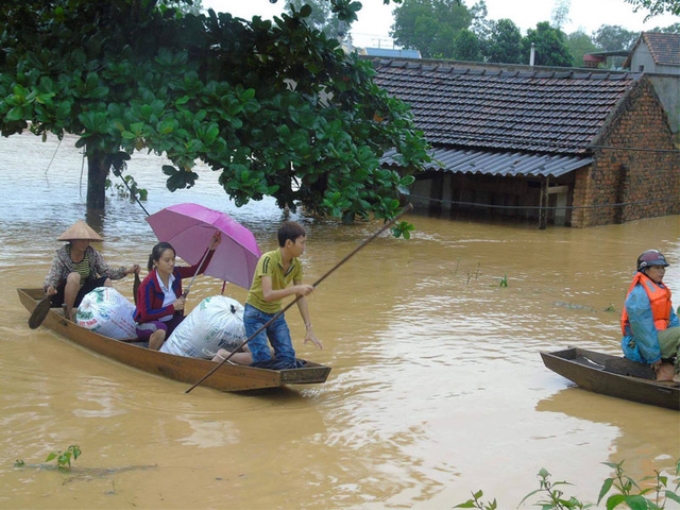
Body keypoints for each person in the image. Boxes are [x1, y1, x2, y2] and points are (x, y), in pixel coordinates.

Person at [223, 221, 322, 368]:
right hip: (255, 314)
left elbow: (300, 298)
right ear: (289, 243)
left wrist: (309, 328)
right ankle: (224, 355)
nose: (304, 248)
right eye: (302, 243)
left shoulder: (296, 265)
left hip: (276, 315)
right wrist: (295, 290)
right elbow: (268, 294)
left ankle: (249, 347)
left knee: (288, 359)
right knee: (263, 361)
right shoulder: (267, 260)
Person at [134, 232, 221, 350]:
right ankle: (151, 355)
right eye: (167, 260)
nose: (171, 263)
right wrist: (172, 307)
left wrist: (210, 249)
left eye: (173, 259)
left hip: (170, 322)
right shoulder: (148, 284)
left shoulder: (176, 273)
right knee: (160, 330)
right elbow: (146, 315)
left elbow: (197, 269)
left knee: (196, 323)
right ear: (155, 262)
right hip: (148, 325)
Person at [44, 220, 140, 322]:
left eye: (87, 240)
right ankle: (68, 316)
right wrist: (50, 287)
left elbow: (106, 271)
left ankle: (112, 313)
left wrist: (127, 271)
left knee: (106, 280)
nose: (85, 243)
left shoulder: (92, 253)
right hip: (63, 297)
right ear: (73, 240)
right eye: (82, 240)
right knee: (74, 276)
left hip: (83, 296)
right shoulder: (61, 255)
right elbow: (53, 275)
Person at [621, 249, 680, 382]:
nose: (662, 271)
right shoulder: (639, 294)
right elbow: (642, 329)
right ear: (645, 270)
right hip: (640, 346)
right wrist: (653, 356)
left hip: (657, 340)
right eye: (657, 268)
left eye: (663, 268)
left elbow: (673, 321)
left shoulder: (660, 290)